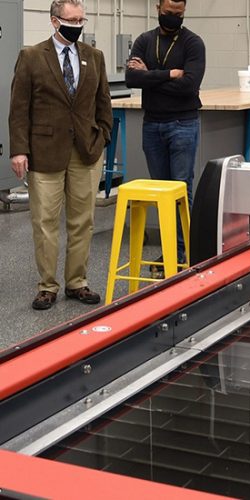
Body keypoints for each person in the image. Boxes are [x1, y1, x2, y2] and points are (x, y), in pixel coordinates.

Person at [9, 0, 113, 310]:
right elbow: (18, 108)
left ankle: (76, 282)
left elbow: (103, 101)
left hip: (86, 151)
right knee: (45, 221)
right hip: (44, 152)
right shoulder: (31, 56)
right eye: (72, 19)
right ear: (55, 21)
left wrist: (103, 135)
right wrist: (18, 150)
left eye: (82, 19)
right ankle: (47, 286)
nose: (78, 25)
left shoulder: (94, 57)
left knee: (83, 221)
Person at [125, 0, 206, 276]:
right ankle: (171, 252)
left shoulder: (193, 43)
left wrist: (149, 75)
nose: (173, 17)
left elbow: (189, 86)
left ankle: (186, 253)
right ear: (158, 7)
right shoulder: (144, 40)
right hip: (153, 125)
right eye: (168, 12)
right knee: (162, 192)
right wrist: (168, 74)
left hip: (183, 123)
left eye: (178, 14)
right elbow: (131, 80)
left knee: (181, 190)